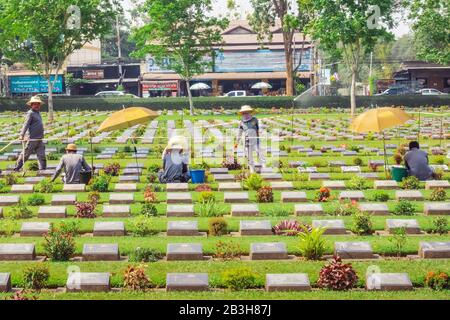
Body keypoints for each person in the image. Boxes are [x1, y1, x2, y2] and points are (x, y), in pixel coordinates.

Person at [14, 96, 46, 172]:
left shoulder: (38, 113)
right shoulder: (30, 113)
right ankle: (17, 168)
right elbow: (26, 124)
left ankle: (43, 170)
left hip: (39, 139)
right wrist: (22, 134)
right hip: (32, 139)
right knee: (25, 155)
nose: (37, 105)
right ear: (31, 105)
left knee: (42, 156)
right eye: (35, 104)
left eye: (38, 104)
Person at [234, 105, 265, 173]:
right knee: (249, 155)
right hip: (247, 141)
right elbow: (239, 133)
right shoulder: (241, 122)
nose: (246, 114)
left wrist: (260, 133)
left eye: (247, 113)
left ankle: (263, 166)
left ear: (250, 113)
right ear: (242, 114)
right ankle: (252, 168)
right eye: (244, 113)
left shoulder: (255, 119)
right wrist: (237, 142)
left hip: (255, 140)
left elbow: (259, 128)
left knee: (259, 152)